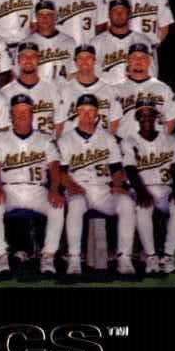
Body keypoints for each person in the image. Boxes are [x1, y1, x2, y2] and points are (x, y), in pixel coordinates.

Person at [0, 94, 66, 276]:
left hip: (37, 189)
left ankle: (48, 255)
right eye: (17, 111)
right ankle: (0, 254)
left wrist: (54, 190)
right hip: (9, 189)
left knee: (57, 206)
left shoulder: (45, 138)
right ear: (11, 115)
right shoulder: (0, 137)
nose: (22, 115)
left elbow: (55, 167)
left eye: (26, 111)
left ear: (32, 114)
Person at [58, 94, 137, 276]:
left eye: (91, 110)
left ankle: (124, 258)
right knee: (76, 205)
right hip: (78, 189)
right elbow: (60, 172)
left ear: (97, 114)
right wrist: (71, 185)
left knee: (126, 203)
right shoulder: (65, 140)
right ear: (77, 113)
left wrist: (118, 184)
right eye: (82, 110)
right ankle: (74, 258)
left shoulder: (108, 138)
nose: (86, 114)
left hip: (103, 189)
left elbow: (116, 169)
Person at [122, 99, 175, 275]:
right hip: (140, 189)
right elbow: (130, 171)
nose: (146, 117)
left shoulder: (170, 140)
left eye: (149, 113)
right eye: (141, 114)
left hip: (165, 189)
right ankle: (151, 257)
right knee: (143, 208)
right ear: (136, 118)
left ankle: (168, 257)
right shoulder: (129, 142)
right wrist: (142, 192)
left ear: (156, 117)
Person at [104, 0, 175, 72]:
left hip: (147, 51)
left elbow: (164, 26)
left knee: (148, 83)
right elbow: (106, 25)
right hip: (120, 52)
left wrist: (153, 44)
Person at [112, 43, 175, 140]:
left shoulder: (163, 88)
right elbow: (111, 120)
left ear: (149, 61)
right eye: (134, 57)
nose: (138, 60)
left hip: (154, 145)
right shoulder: (115, 89)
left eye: (143, 57)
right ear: (128, 61)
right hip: (124, 143)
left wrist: (160, 140)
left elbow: (171, 118)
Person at [54, 45, 122, 137]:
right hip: (72, 142)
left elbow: (115, 122)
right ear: (75, 62)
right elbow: (58, 123)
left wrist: (109, 142)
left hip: (100, 142)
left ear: (95, 61)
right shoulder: (64, 91)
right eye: (80, 58)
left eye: (88, 57)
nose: (84, 61)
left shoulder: (110, 90)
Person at [0, 42, 61, 136]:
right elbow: (2, 129)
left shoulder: (52, 90)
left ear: (39, 60)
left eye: (33, 56)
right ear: (18, 60)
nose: (28, 59)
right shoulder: (4, 93)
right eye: (24, 56)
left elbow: (60, 125)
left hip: (46, 143)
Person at [91, 0, 155, 84]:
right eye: (115, 11)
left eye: (123, 11)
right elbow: (90, 73)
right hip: (105, 91)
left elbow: (151, 74)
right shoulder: (96, 42)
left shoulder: (143, 41)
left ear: (129, 14)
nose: (119, 14)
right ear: (109, 15)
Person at [22, 0, 77, 84]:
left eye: (48, 14)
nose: (44, 18)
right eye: (41, 14)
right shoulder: (26, 43)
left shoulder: (69, 42)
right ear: (36, 17)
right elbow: (19, 74)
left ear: (55, 16)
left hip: (63, 89)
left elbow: (75, 72)